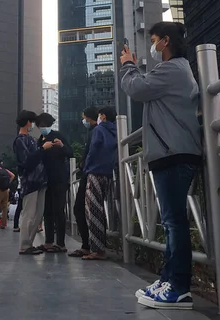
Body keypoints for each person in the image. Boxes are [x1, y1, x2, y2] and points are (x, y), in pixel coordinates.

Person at [120, 22, 202, 311]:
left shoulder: (173, 68)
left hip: (174, 153)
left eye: (154, 40)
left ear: (165, 41)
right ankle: (169, 280)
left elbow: (137, 88)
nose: (151, 46)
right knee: (171, 222)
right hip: (171, 152)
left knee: (173, 222)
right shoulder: (174, 70)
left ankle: (178, 288)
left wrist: (128, 65)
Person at [13, 110, 51, 255]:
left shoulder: (31, 139)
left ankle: (29, 242)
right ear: (28, 122)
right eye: (32, 122)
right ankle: (25, 245)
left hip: (40, 180)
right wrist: (42, 149)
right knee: (29, 214)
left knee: (38, 214)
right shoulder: (20, 140)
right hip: (30, 182)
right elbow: (27, 161)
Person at [83, 106, 117, 261]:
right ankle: (102, 245)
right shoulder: (116, 130)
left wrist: (86, 166)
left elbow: (94, 149)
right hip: (109, 173)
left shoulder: (99, 130)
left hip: (95, 171)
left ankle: (97, 249)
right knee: (102, 208)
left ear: (102, 116)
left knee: (93, 209)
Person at [36, 113, 73, 253]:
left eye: (45, 125)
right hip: (45, 180)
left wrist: (62, 146)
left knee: (59, 210)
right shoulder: (39, 140)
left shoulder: (58, 136)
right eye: (41, 126)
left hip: (59, 179)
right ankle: (49, 242)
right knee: (47, 211)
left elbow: (71, 153)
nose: (43, 128)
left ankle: (61, 243)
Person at [68, 106, 98, 258]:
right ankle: (89, 245)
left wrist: (83, 164)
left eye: (84, 117)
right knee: (84, 209)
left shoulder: (96, 132)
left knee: (80, 208)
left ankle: (88, 245)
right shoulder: (95, 131)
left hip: (91, 174)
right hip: (91, 172)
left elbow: (92, 152)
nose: (83, 120)